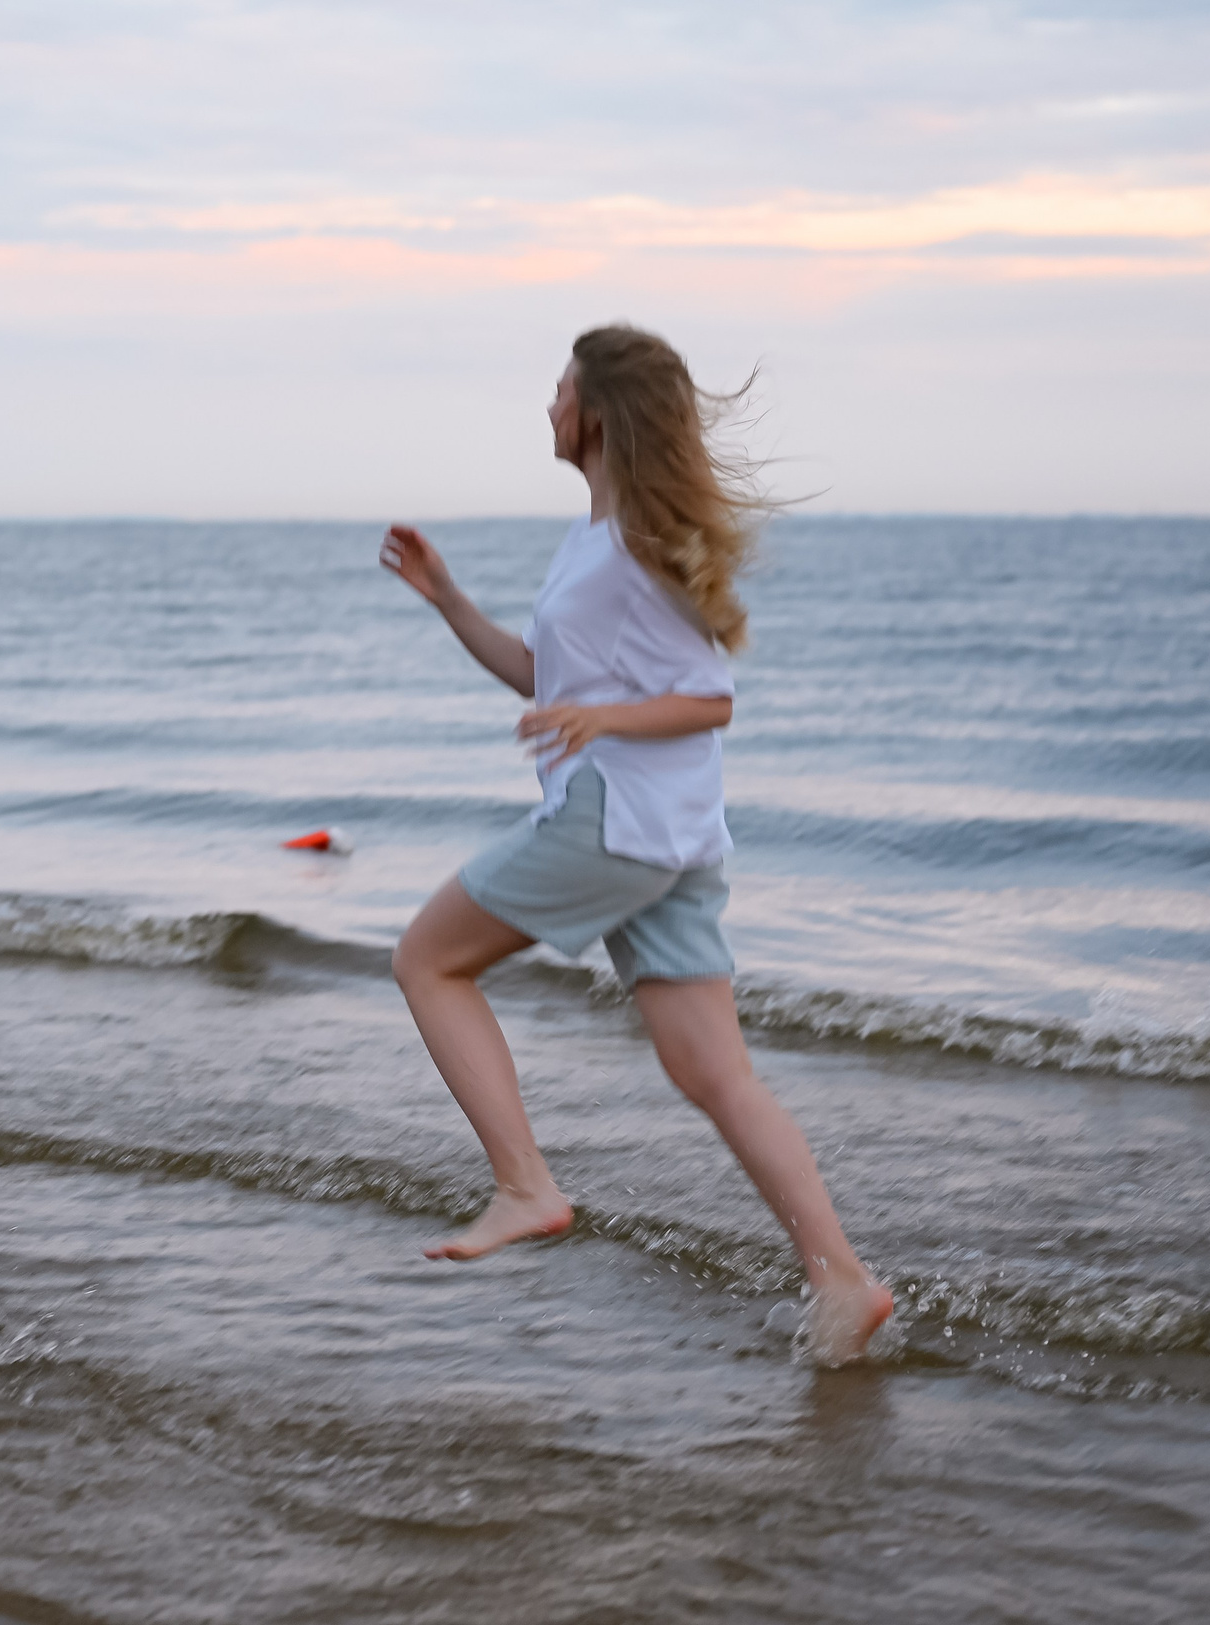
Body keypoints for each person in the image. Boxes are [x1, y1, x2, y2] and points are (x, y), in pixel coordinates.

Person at [380, 325, 892, 1366]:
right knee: (716, 1075)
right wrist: (447, 602)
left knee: (426, 961)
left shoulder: (628, 552)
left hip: (612, 818)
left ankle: (525, 1184)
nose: (550, 405)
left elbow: (709, 699)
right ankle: (844, 1280)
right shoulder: (599, 541)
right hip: (671, 839)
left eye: (561, 388)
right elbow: (545, 680)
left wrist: (603, 726)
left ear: (599, 415)